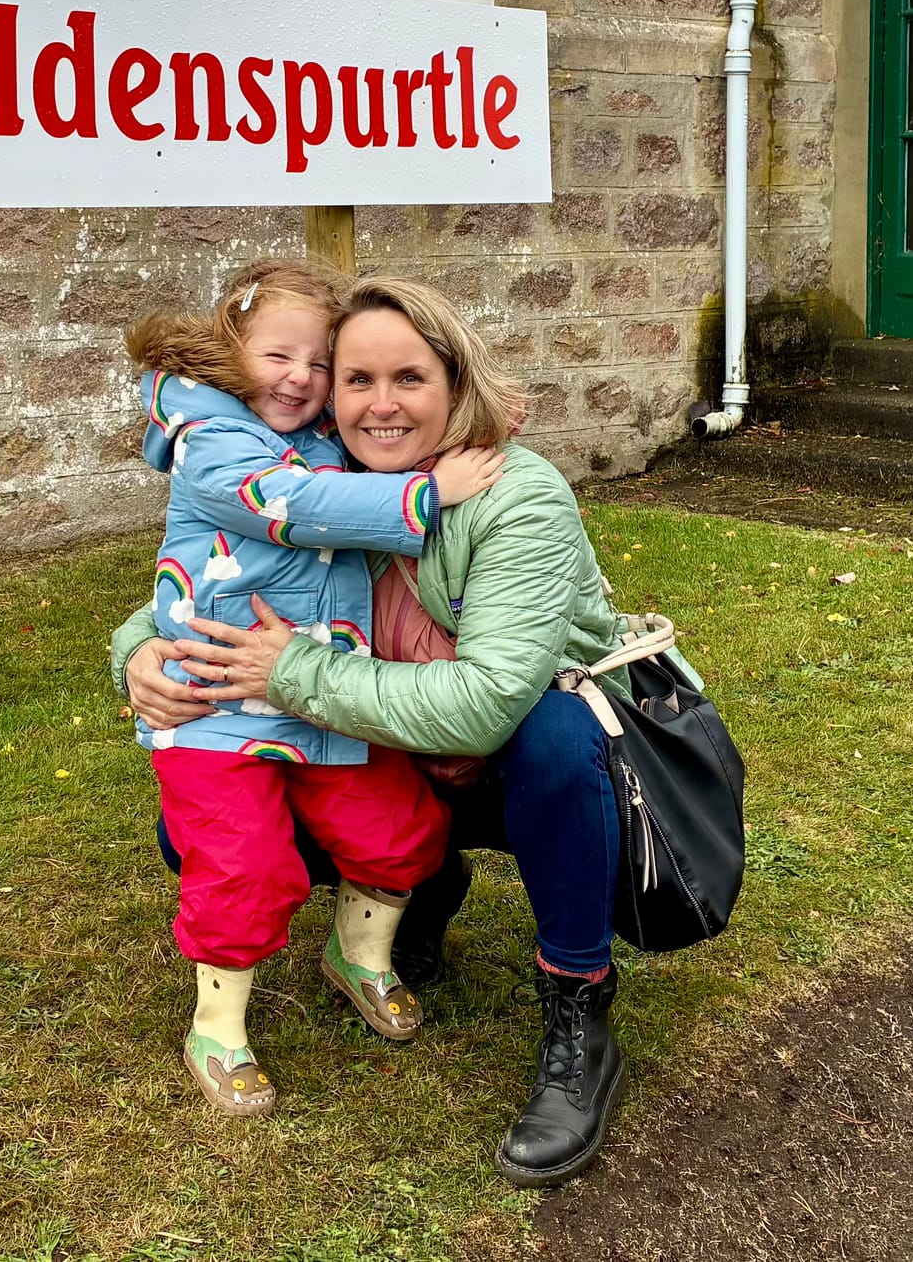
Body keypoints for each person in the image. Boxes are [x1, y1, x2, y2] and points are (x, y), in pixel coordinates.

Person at [112, 274, 632, 1184]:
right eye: (356, 380)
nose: (379, 404)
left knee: (553, 734)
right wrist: (138, 654)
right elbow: (219, 563)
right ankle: (410, 901)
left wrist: (291, 674)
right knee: (206, 823)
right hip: (395, 747)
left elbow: (483, 705)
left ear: (453, 378)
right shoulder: (324, 473)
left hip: (511, 759)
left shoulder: (515, 493)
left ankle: (578, 1009)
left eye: (409, 379)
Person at [125, 260, 504, 1118]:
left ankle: (358, 958)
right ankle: (218, 1029)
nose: (301, 378)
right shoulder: (211, 442)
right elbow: (291, 506)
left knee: (401, 828)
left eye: (318, 362)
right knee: (241, 865)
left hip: (318, 698)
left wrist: (483, 423)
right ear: (229, 354)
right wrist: (425, 494)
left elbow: (372, 450)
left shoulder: (317, 437)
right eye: (276, 356)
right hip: (219, 712)